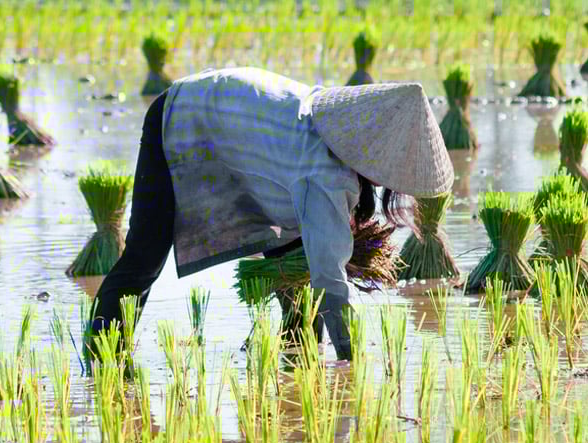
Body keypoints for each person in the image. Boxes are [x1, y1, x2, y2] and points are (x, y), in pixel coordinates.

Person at [88, 67, 453, 361]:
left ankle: (297, 348)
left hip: (225, 116)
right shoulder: (324, 175)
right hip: (181, 117)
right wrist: (350, 358)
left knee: (294, 259)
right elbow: (331, 279)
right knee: (145, 256)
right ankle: (102, 358)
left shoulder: (330, 121)